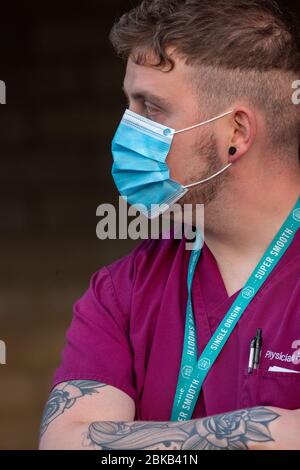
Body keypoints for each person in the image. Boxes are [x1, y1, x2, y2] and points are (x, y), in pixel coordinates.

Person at [39, 0, 300, 450]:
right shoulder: (123, 289)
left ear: (236, 133)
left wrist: (122, 440)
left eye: (151, 108)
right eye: (129, 104)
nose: (126, 131)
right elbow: (64, 442)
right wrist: (271, 430)